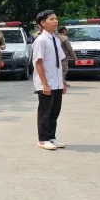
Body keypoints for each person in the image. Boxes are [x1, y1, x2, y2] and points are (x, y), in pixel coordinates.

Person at [32, 10, 67, 151]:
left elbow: (59, 62)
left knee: (54, 111)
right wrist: (45, 84)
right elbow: (38, 63)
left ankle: (52, 136)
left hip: (56, 82)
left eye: (56, 18)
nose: (55, 21)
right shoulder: (40, 41)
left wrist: (62, 82)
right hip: (46, 83)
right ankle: (43, 139)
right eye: (52, 19)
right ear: (42, 23)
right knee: (45, 112)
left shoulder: (56, 40)